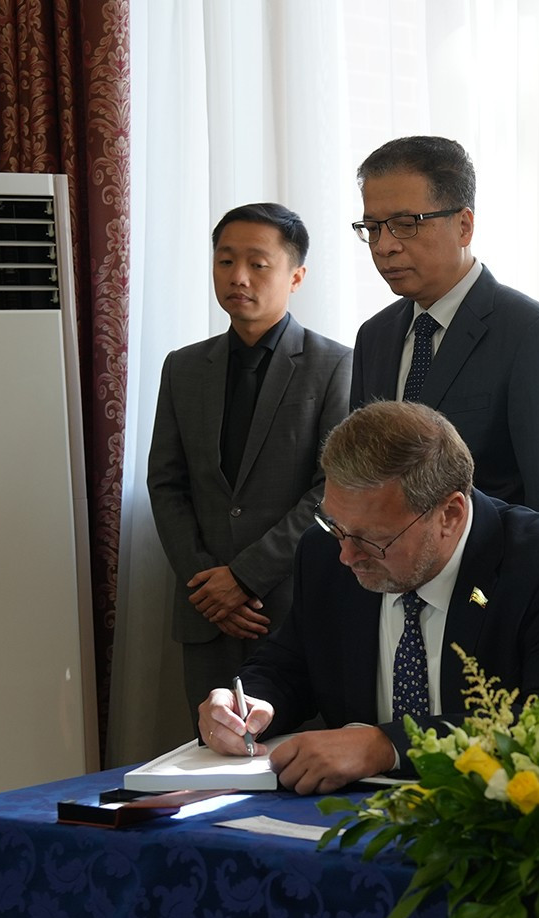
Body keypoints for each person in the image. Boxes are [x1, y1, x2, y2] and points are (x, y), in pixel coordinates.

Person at [197, 401, 539, 794]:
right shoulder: (324, 552)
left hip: (491, 820)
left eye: (373, 539)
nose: (347, 555)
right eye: (336, 527)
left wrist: (387, 746)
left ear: (450, 515)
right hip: (347, 816)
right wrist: (246, 701)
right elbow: (290, 665)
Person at [148, 203, 351, 730]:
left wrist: (245, 577)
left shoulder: (335, 365)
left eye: (258, 263)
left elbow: (332, 489)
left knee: (296, 765)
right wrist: (207, 585)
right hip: (207, 612)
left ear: (296, 276)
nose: (238, 277)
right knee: (210, 755)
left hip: (289, 603)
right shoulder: (184, 366)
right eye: (225, 261)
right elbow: (166, 484)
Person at [346, 135, 539, 538]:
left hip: (490, 588)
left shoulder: (534, 336)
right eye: (371, 228)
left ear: (464, 225)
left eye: (406, 225)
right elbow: (362, 480)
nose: (384, 246)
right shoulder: (374, 336)